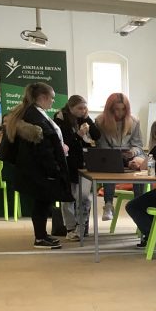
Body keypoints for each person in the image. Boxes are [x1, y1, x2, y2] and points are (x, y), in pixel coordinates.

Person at [1, 82, 68, 249]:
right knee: (41, 203)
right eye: (51, 98)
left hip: (36, 168)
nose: (53, 101)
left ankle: (42, 234)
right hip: (40, 169)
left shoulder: (32, 113)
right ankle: (40, 238)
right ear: (43, 98)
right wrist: (53, 169)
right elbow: (43, 148)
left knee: (43, 203)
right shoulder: (34, 116)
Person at [53, 95, 100, 241]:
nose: (83, 110)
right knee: (68, 197)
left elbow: (97, 135)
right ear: (70, 107)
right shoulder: (60, 119)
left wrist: (88, 119)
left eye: (85, 107)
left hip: (84, 162)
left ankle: (81, 227)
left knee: (84, 196)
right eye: (79, 108)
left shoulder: (84, 118)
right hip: (68, 162)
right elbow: (64, 142)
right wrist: (78, 134)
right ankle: (70, 228)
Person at [95, 92, 145, 221]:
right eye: (116, 109)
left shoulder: (134, 121)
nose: (120, 113)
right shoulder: (100, 121)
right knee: (110, 167)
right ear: (110, 109)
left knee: (139, 164)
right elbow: (102, 146)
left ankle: (139, 203)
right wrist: (115, 154)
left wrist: (132, 153)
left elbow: (138, 145)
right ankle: (108, 204)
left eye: (123, 109)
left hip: (130, 156)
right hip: (111, 156)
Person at [124, 120, 156, 246]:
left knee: (132, 206)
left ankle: (155, 233)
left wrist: (138, 161)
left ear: (153, 134)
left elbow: (144, 167)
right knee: (144, 204)